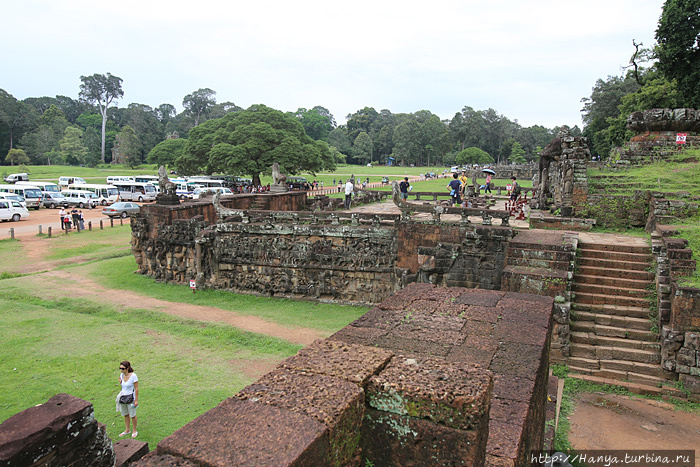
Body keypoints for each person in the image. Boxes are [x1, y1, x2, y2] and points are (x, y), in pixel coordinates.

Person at [116, 360, 139, 438]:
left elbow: (136, 389)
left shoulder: (133, 376)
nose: (121, 370)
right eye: (120, 368)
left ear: (128, 368)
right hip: (123, 397)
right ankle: (127, 429)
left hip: (130, 397)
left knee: (133, 415)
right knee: (125, 414)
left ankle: (134, 430)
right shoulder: (122, 375)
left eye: (123, 368)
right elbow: (122, 382)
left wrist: (136, 400)